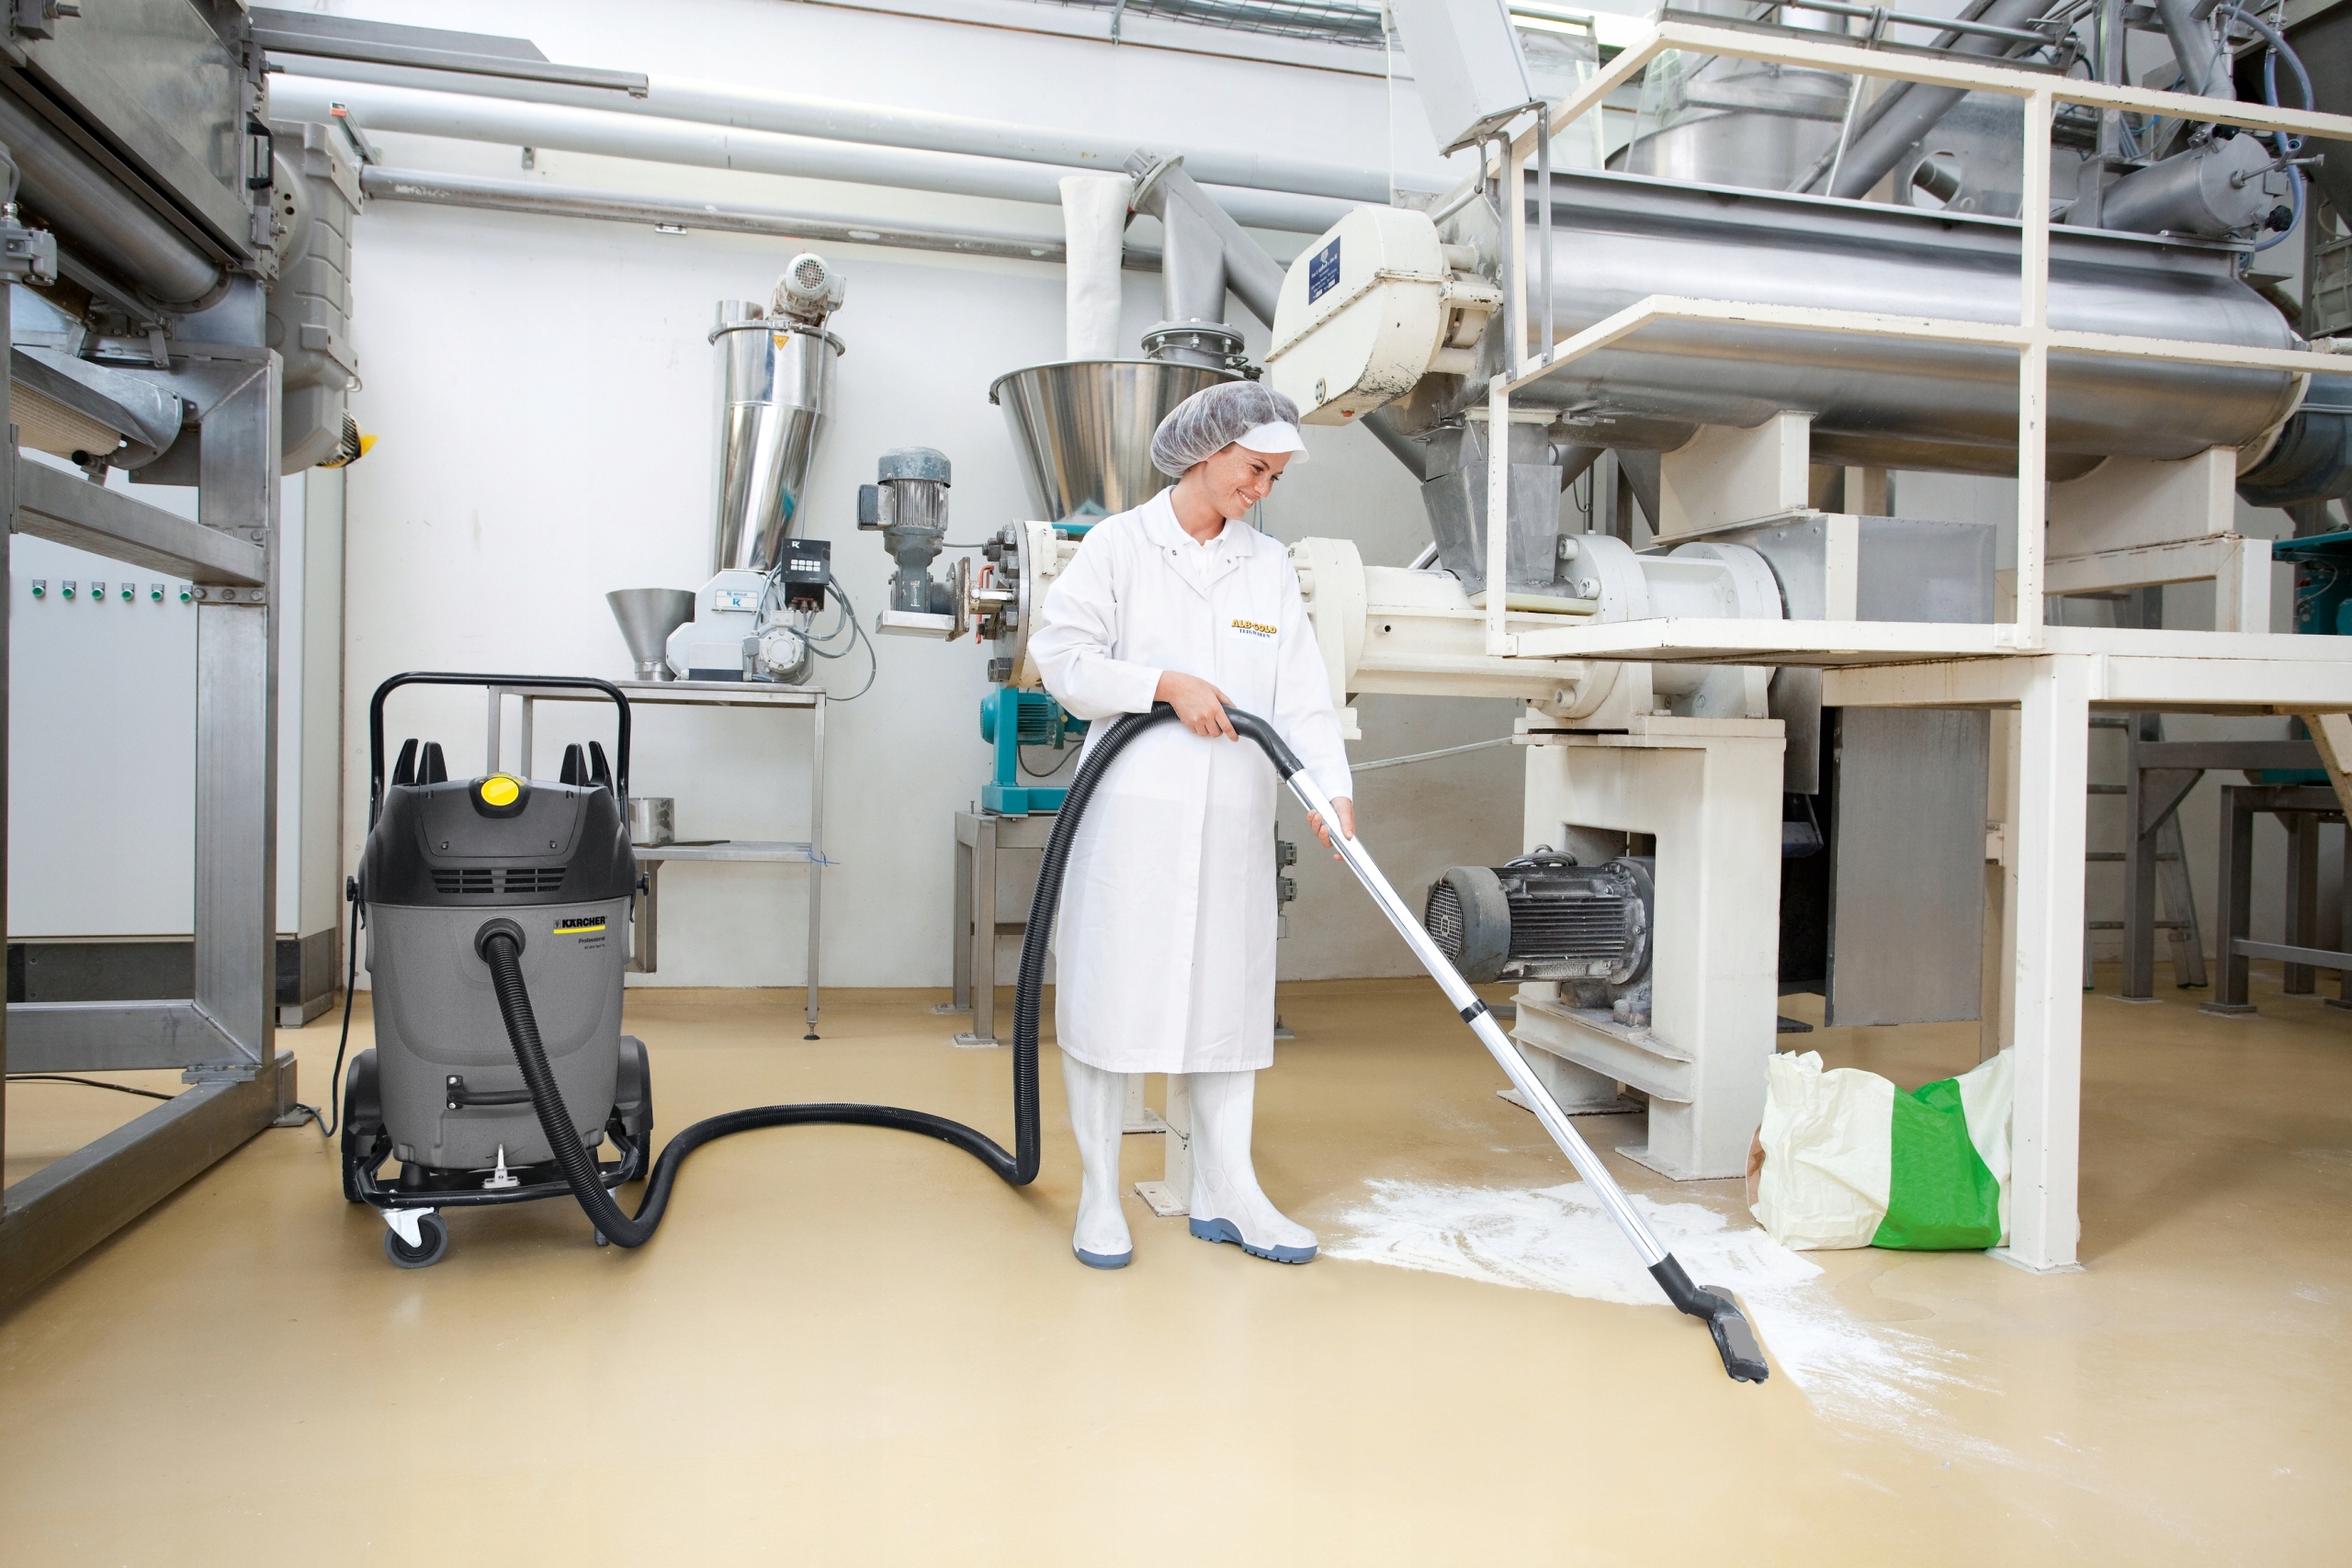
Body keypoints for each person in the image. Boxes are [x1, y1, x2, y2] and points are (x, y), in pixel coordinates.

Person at [1029, 379, 1354, 1270]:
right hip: (1129, 817)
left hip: (1232, 822)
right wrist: (1163, 685)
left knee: (1227, 1009)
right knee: (1109, 1002)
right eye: (1253, 468)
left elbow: (1301, 695)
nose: (1261, 488)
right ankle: (1101, 1192)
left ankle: (1226, 1190)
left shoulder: (1267, 565)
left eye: (1275, 477)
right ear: (1206, 453)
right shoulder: (1118, 545)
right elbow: (1062, 660)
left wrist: (1329, 789)